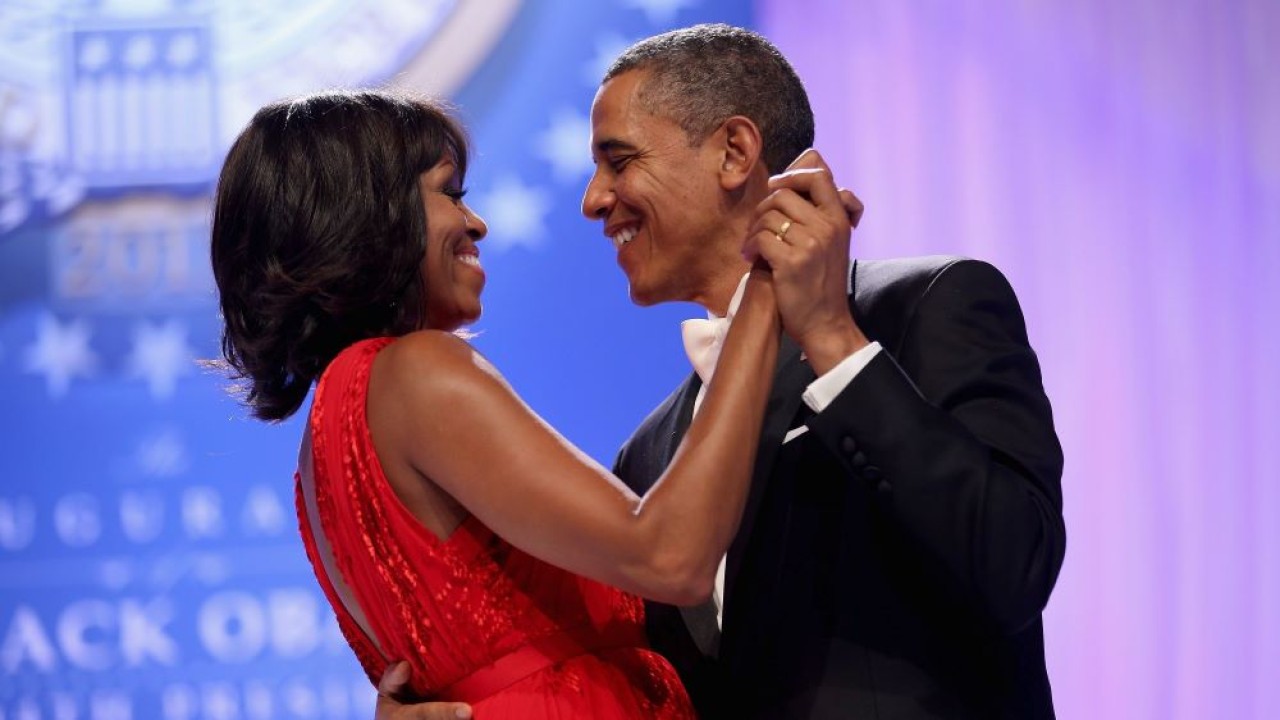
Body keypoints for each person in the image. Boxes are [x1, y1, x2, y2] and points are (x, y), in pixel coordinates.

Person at [379, 23, 1064, 720]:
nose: (593, 199)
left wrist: (833, 339)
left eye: (619, 161)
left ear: (734, 152)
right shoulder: (650, 454)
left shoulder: (925, 307)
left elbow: (1015, 566)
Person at [210, 88, 789, 717]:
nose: (476, 222)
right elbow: (670, 556)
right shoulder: (412, 373)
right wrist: (763, 286)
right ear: (367, 216)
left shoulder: (329, 437)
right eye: (450, 193)